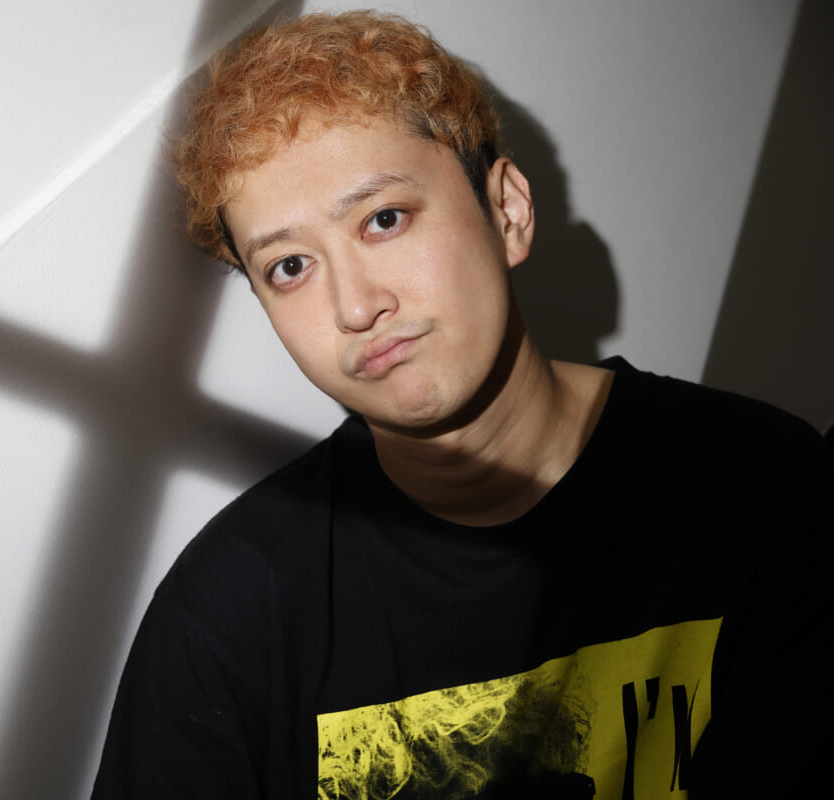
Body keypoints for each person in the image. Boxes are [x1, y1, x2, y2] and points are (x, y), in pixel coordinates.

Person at [92, 10, 832, 799]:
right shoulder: (228, 614)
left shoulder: (766, 491)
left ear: (507, 211)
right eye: (291, 267)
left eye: (384, 219)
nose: (355, 306)